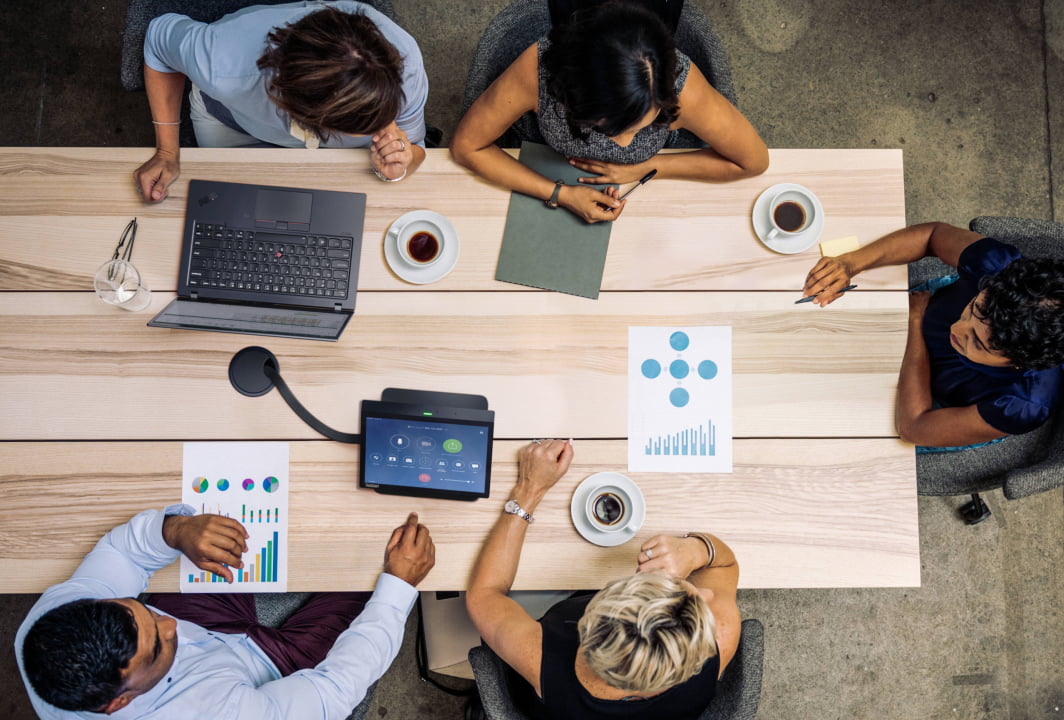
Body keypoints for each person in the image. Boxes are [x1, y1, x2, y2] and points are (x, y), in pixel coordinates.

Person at [16, 505, 435, 718]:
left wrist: (175, 531)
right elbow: (336, 689)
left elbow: (121, 552)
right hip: (265, 672)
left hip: (212, 627)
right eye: (159, 644)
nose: (168, 623)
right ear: (119, 704)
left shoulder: (55, 622)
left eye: (138, 609)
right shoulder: (220, 714)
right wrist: (398, 587)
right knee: (376, 582)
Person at [466, 439, 740, 718]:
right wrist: (696, 550)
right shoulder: (721, 640)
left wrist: (529, 489)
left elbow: (484, 594)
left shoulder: (543, 659)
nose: (706, 595)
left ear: (587, 619)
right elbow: (724, 566)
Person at [450, 1, 768, 224]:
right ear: (574, 100)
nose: (626, 144)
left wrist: (647, 166)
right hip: (541, 165)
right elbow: (467, 146)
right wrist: (560, 194)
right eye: (613, 128)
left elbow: (754, 161)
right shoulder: (539, 73)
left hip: (653, 194)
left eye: (643, 123)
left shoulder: (682, 87)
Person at [802, 222, 1064, 449]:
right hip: (921, 311)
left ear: (1018, 364)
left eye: (977, 341)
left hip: (938, 404)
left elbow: (914, 427)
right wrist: (850, 263)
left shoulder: (1022, 404)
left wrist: (916, 322)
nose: (957, 329)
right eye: (973, 308)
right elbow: (932, 235)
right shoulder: (996, 267)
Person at [134, 1, 429, 203]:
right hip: (233, 124)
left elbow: (415, 147)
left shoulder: (407, 65)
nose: (388, 126)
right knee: (230, 206)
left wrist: (402, 163)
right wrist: (167, 151)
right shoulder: (222, 64)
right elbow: (159, 39)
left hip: (338, 154)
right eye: (365, 124)